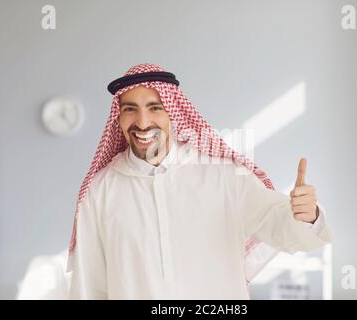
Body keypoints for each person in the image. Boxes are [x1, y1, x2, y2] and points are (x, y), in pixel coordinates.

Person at [67, 63, 333, 299]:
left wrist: (306, 216)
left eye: (155, 108)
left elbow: (279, 227)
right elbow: (89, 285)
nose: (143, 121)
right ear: (119, 117)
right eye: (130, 109)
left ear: (174, 112)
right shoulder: (100, 190)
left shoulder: (223, 175)